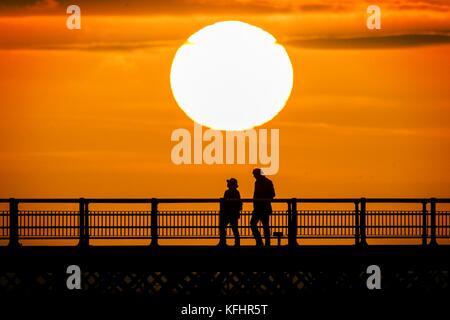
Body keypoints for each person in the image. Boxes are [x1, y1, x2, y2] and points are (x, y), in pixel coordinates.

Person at [250, 168, 275, 246]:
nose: (254, 176)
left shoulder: (259, 182)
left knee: (253, 224)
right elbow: (273, 195)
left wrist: (259, 200)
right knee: (265, 226)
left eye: (254, 174)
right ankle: (266, 243)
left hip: (259, 207)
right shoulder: (268, 182)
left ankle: (260, 241)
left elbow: (272, 194)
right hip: (264, 207)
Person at [218, 178, 242, 246]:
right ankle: (237, 243)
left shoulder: (228, 192)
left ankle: (223, 242)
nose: (227, 184)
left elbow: (226, 202)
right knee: (234, 228)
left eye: (229, 183)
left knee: (223, 227)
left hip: (228, 213)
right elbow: (239, 204)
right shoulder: (236, 192)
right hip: (233, 213)